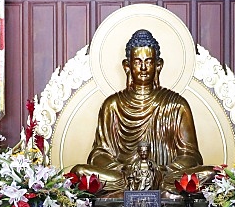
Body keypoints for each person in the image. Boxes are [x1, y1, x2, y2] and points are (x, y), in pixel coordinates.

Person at [71, 29, 212, 193]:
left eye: (149, 61)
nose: (143, 67)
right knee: (79, 172)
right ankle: (136, 187)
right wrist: (124, 170)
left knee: (211, 174)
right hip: (124, 178)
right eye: (137, 62)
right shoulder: (113, 105)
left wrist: (162, 171)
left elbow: (191, 156)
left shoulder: (176, 105)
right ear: (127, 66)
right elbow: (99, 154)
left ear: (158, 65)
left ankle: (153, 185)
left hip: (164, 177)